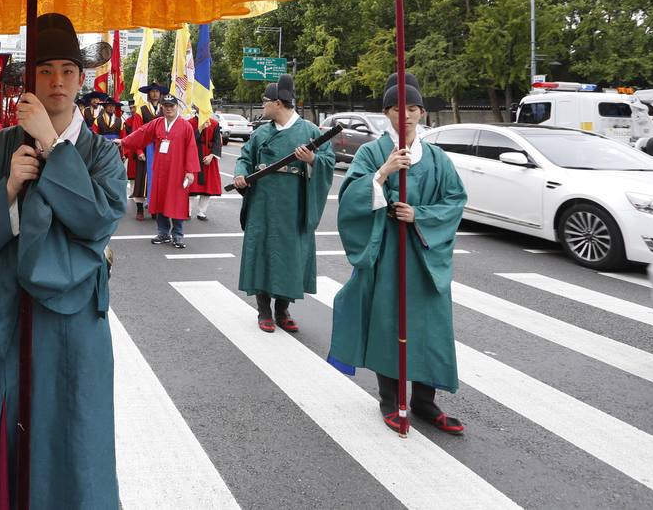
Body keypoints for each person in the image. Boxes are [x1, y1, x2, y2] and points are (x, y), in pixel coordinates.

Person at [0, 12, 125, 509]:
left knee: (75, 438)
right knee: (7, 438)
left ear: (82, 79)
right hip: (8, 316)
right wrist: (6, 190)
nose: (58, 81)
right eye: (45, 70)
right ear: (30, 79)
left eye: (68, 70)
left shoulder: (101, 154)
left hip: (74, 327)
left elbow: (95, 221)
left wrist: (51, 145)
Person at [328, 72, 467, 436]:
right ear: (387, 113)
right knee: (388, 323)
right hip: (386, 251)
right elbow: (350, 198)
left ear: (421, 113)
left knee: (429, 327)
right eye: (396, 108)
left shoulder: (437, 159)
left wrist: (418, 215)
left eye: (413, 108)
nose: (405, 115)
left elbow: (455, 200)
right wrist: (382, 175)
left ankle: (424, 399)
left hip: (424, 255)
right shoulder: (372, 152)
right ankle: (390, 400)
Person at [233, 75, 334, 333]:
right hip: (263, 202)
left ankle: (283, 309)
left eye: (265, 101)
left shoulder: (310, 131)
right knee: (262, 250)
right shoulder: (261, 133)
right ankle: (264, 309)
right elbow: (245, 158)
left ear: (278, 103)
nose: (262, 106)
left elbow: (328, 163)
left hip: (294, 202)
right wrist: (240, 174)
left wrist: (313, 159)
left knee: (290, 255)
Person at [120, 95, 199, 248]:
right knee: (160, 200)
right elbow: (141, 133)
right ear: (162, 107)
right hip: (160, 170)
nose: (169, 108)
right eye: (166, 105)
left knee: (176, 201)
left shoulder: (185, 126)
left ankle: (177, 235)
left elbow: (191, 149)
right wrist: (123, 141)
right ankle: (163, 233)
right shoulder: (156, 124)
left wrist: (190, 171)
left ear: (177, 107)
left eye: (172, 105)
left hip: (177, 171)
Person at [125, 83, 166, 220]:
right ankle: (140, 209)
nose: (155, 94)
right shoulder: (141, 110)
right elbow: (137, 131)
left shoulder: (165, 109)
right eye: (152, 92)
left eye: (157, 92)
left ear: (160, 94)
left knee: (159, 179)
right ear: (148, 94)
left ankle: (155, 208)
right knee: (142, 179)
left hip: (161, 148)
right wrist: (139, 151)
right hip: (145, 148)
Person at [189, 106, 223, 222]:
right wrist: (200, 128)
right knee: (191, 185)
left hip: (208, 156)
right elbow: (189, 139)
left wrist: (212, 155)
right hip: (194, 155)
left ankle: (202, 212)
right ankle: (187, 211)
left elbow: (217, 142)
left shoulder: (214, 123)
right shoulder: (190, 123)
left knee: (207, 186)